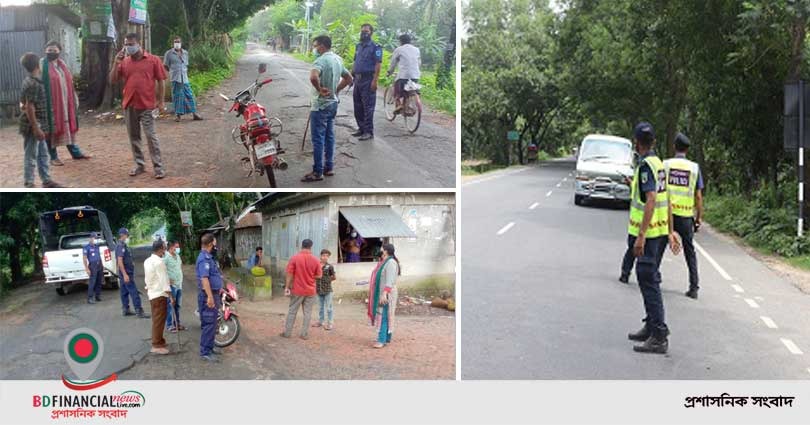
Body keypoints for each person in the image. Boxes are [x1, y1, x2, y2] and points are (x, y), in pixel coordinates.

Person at [625, 122, 680, 355]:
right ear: (653, 142)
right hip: (659, 234)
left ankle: (659, 335)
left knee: (648, 280)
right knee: (649, 278)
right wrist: (670, 230)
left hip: (649, 236)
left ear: (637, 143)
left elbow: (650, 199)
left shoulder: (646, 165)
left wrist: (641, 236)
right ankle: (650, 326)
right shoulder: (658, 164)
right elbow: (664, 198)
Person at [109, 32, 168, 179]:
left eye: (131, 44)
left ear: (139, 43)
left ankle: (158, 167)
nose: (129, 47)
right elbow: (112, 80)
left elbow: (161, 81)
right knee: (134, 137)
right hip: (130, 104)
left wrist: (160, 101)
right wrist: (115, 63)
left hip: (147, 105)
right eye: (127, 44)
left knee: (150, 136)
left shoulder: (153, 60)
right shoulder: (124, 62)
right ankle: (139, 164)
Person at [301, 35, 353, 183]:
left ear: (322, 46)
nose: (314, 49)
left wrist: (320, 90)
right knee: (329, 136)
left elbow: (313, 77)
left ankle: (318, 172)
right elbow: (349, 78)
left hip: (320, 105)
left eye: (315, 45)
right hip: (333, 104)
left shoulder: (321, 60)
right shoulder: (338, 59)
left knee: (318, 139)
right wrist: (336, 90)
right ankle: (329, 167)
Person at [665, 133, 704, 299]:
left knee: (659, 245)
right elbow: (698, 196)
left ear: (674, 147)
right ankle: (694, 287)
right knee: (690, 252)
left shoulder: (666, 164)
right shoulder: (694, 168)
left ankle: (652, 277)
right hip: (686, 216)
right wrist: (698, 217)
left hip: (668, 214)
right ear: (688, 149)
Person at [42, 40, 92, 166]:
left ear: (59, 52)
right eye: (49, 50)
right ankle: (53, 157)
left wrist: (74, 98)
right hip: (50, 104)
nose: (51, 52)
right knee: (51, 130)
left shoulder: (62, 64)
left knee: (68, 127)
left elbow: (68, 82)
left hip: (65, 103)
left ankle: (76, 153)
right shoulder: (42, 65)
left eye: (54, 50)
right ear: (45, 51)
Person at [18, 52, 62, 188]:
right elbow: (29, 107)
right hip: (33, 125)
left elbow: (22, 103)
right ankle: (29, 182)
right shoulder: (33, 84)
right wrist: (36, 128)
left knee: (43, 153)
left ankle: (46, 179)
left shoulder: (31, 81)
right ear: (38, 65)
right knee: (31, 154)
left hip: (39, 124)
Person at [281, 239, 322, 340]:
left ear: (301, 246)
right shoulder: (316, 260)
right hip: (310, 290)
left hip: (297, 290)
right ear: (311, 247)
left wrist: (287, 287)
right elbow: (319, 276)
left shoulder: (294, 258)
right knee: (307, 313)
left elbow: (289, 274)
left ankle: (287, 333)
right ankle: (304, 334)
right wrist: (310, 276)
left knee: (292, 311)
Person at [351, 24, 383, 141]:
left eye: (366, 31)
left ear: (371, 33)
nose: (363, 33)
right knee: (357, 105)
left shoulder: (376, 47)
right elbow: (355, 61)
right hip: (358, 79)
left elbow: (378, 64)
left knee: (368, 106)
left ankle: (368, 131)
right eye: (362, 31)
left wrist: (375, 80)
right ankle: (361, 128)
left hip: (368, 79)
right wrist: (351, 75)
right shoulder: (358, 46)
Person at [367, 243, 400, 348]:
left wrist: (384, 294)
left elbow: (389, 280)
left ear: (385, 251)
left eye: (382, 249)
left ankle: (381, 340)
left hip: (387, 293)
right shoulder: (384, 262)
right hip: (384, 292)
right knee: (386, 314)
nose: (380, 250)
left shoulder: (390, 263)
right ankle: (386, 337)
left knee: (384, 315)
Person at [197, 233, 223, 362]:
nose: (216, 245)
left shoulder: (209, 257)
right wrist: (210, 297)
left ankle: (210, 347)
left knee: (213, 324)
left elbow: (214, 276)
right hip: (208, 295)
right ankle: (205, 352)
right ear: (210, 244)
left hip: (214, 293)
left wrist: (219, 288)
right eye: (215, 243)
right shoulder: (204, 259)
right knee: (208, 324)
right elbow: (204, 279)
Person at [163, 36, 203, 122]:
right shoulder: (169, 53)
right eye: (175, 42)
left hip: (184, 78)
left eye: (178, 42)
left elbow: (186, 64)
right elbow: (165, 65)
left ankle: (194, 113)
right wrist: (172, 72)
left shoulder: (185, 53)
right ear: (173, 43)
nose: (177, 44)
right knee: (177, 96)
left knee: (189, 95)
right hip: (175, 78)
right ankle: (178, 115)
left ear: (181, 43)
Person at [144, 240, 173, 355]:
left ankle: (160, 341)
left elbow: (150, 278)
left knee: (158, 319)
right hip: (159, 294)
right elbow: (164, 281)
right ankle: (156, 345)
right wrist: (171, 296)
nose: (165, 250)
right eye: (165, 248)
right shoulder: (159, 262)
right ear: (161, 248)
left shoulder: (148, 261)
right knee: (159, 320)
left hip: (152, 293)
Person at [116, 228, 149, 318]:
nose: (127, 236)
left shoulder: (123, 245)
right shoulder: (120, 246)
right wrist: (125, 274)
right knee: (134, 291)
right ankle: (139, 311)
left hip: (126, 272)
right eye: (126, 234)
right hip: (126, 273)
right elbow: (119, 261)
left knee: (124, 291)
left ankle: (125, 309)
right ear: (123, 235)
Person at [387, 33, 421, 114]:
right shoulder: (417, 49)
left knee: (397, 87)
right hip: (416, 75)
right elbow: (419, 62)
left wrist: (389, 72)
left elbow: (393, 63)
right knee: (409, 90)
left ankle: (399, 104)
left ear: (400, 41)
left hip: (404, 75)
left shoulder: (399, 49)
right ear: (410, 41)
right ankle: (407, 104)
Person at [163, 240, 185, 332]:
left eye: (178, 247)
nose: (178, 249)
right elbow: (162, 270)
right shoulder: (166, 257)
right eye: (176, 247)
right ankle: (169, 325)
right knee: (170, 305)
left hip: (179, 284)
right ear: (171, 247)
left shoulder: (178, 256)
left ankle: (177, 324)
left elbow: (179, 267)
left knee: (178, 305)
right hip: (172, 286)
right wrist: (167, 280)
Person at [313, 249, 337, 330]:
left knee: (329, 308)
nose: (325, 257)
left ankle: (330, 323)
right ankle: (320, 321)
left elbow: (334, 277)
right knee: (320, 307)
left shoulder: (330, 267)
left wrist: (327, 280)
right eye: (323, 256)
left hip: (328, 290)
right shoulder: (316, 265)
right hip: (318, 289)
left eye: (327, 256)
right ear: (320, 256)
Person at [82, 232, 103, 304]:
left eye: (96, 238)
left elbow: (99, 256)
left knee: (99, 281)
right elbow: (84, 258)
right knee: (92, 282)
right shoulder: (86, 247)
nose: (95, 239)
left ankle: (98, 296)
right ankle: (90, 298)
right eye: (94, 238)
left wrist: (102, 265)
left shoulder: (97, 246)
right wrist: (87, 269)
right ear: (90, 238)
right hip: (92, 266)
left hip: (99, 265)